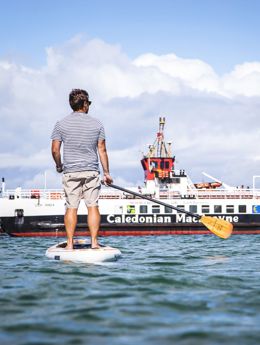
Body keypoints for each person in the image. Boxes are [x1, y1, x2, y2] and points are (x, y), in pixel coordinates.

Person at [51, 89, 113, 249]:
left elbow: (55, 150)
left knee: (71, 207)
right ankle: (94, 243)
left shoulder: (60, 123)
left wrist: (59, 166)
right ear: (85, 104)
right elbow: (102, 150)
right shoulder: (97, 124)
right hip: (91, 171)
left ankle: (70, 244)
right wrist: (106, 173)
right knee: (92, 206)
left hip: (70, 172)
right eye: (89, 103)